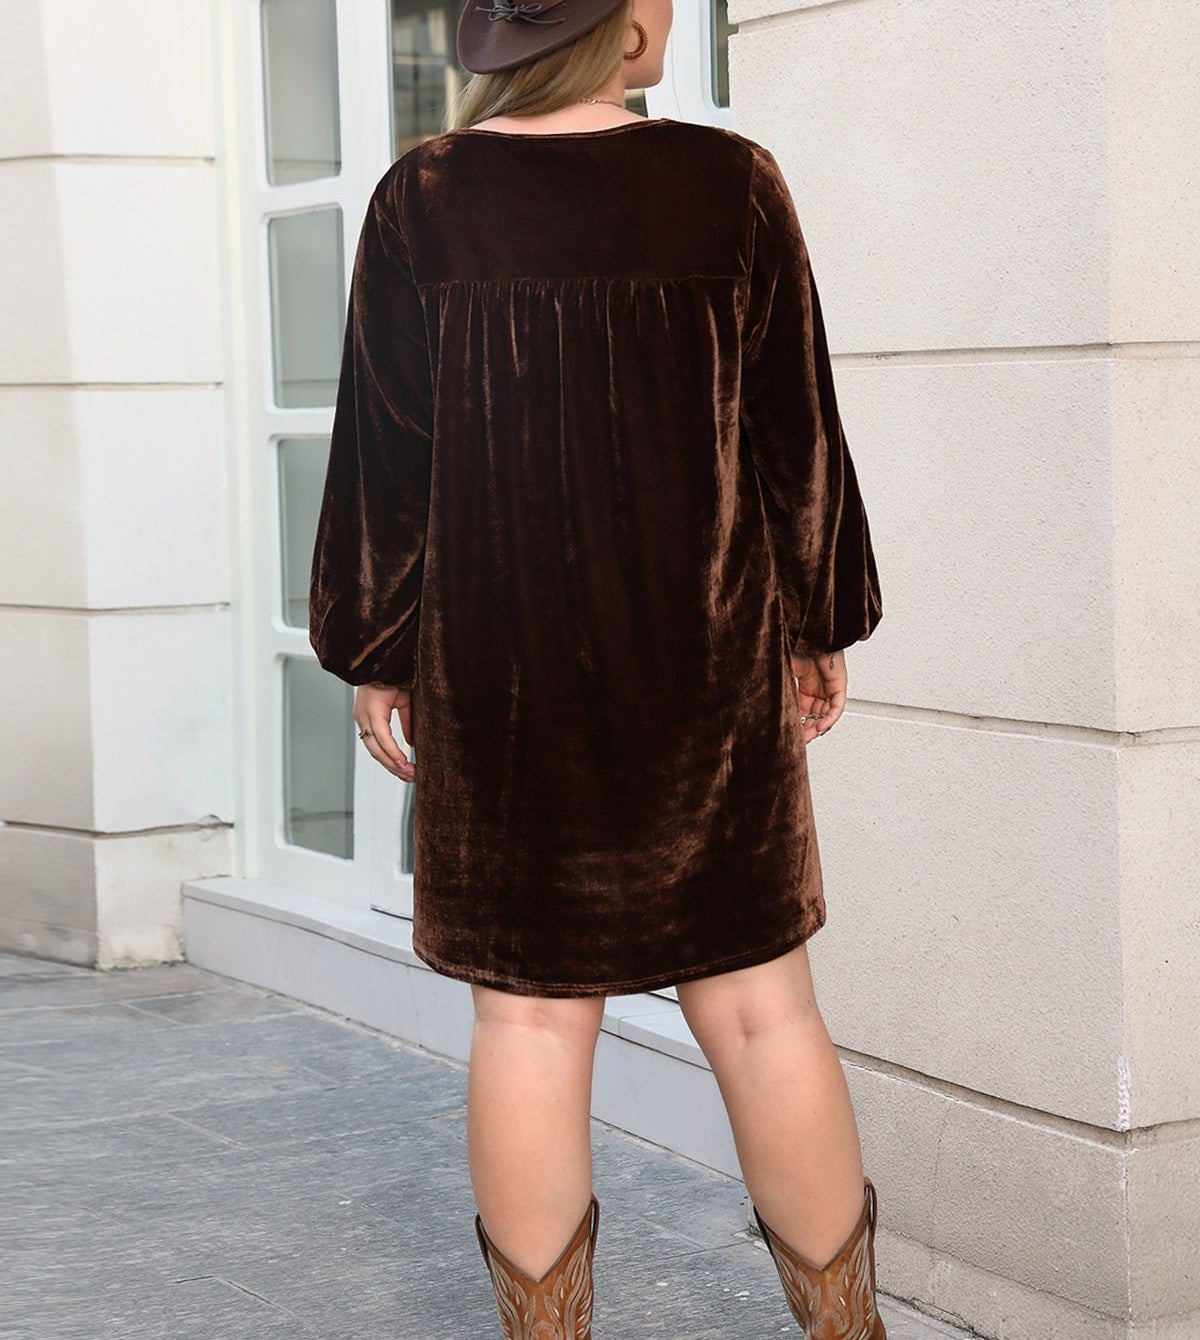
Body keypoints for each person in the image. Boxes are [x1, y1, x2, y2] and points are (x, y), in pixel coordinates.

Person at [307, 0, 887, 1333]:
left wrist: (373, 647)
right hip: (707, 673)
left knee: (527, 1027)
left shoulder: (425, 200)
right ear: (627, 27)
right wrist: (815, 614)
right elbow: (797, 425)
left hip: (502, 687)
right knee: (760, 1014)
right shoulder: (730, 183)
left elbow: (385, 458)